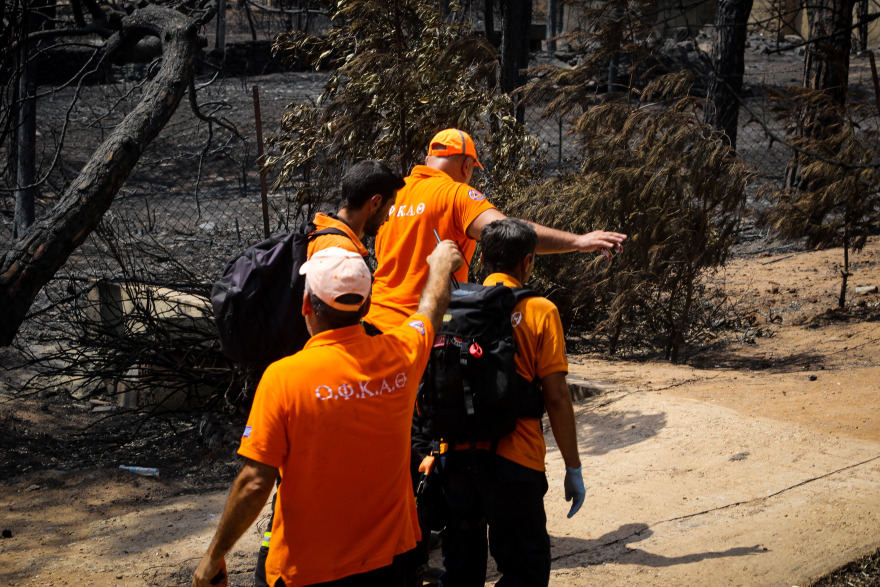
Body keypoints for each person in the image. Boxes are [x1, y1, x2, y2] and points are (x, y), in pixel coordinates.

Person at [193, 243, 464, 587]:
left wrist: (213, 556)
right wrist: (439, 264)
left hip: (306, 571)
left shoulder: (283, 378)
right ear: (366, 306)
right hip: (388, 564)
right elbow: (430, 310)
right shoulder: (402, 356)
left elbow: (255, 481)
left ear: (306, 305)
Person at [252, 158, 405, 587]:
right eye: (389, 206)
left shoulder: (328, 234)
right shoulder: (338, 252)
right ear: (374, 202)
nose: (391, 215)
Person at [436, 218, 585, 587]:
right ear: (528, 262)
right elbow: (556, 396)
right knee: (524, 570)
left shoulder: (448, 304)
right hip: (516, 462)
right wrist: (573, 466)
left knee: (460, 573)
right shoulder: (540, 310)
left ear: (482, 257)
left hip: (456, 458)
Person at [365, 127, 627, 332]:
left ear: (428, 159)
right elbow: (509, 235)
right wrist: (580, 241)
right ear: (467, 166)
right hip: (424, 326)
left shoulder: (394, 194)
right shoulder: (457, 194)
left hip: (374, 320)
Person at [307, 159, 405, 258]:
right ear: (375, 202)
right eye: (390, 206)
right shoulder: (343, 252)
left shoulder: (315, 232)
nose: (388, 217)